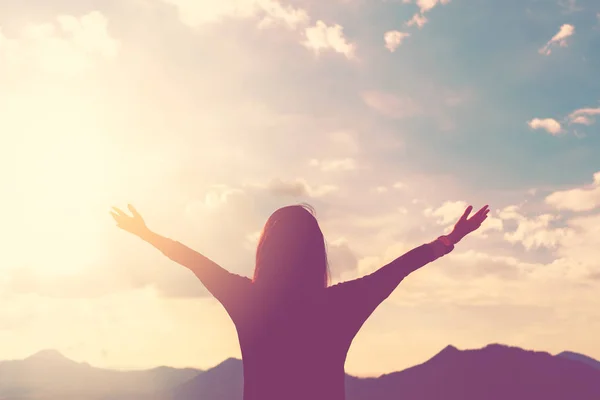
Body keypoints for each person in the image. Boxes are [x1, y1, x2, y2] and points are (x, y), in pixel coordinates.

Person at [110, 202, 489, 400]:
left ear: (265, 250)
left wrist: (146, 234)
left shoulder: (246, 299)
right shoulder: (343, 304)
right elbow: (397, 269)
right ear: (316, 252)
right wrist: (450, 239)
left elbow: (192, 260)